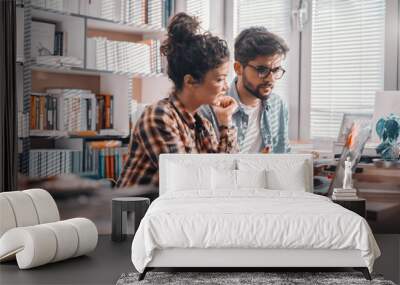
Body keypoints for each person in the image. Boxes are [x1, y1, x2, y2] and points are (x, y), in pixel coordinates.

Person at [117, 13, 238, 188]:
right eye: (219, 79)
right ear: (190, 81)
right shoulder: (159, 117)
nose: (226, 87)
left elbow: (224, 177)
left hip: (177, 211)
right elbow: (189, 182)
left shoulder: (202, 125)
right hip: (140, 213)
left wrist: (225, 122)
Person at [200, 26, 290, 153]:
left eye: (275, 70)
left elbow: (283, 155)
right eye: (262, 70)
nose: (271, 79)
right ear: (238, 68)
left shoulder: (278, 105)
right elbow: (208, 167)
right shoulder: (210, 110)